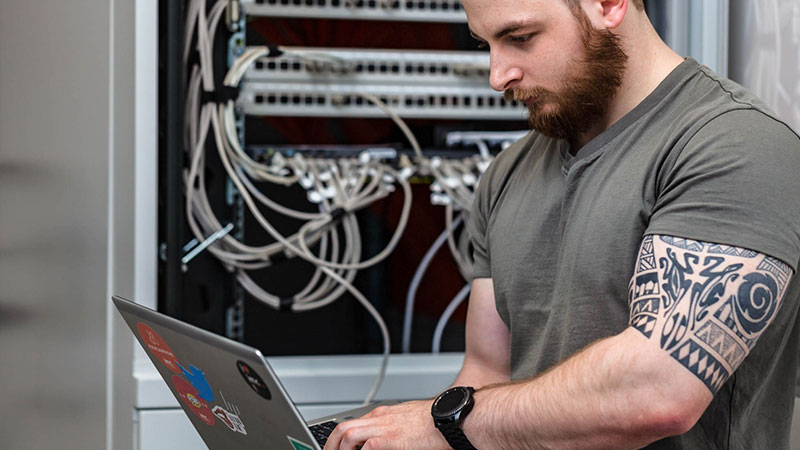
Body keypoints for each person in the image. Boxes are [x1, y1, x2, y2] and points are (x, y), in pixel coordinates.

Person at [323, 0, 800, 448]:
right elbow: (487, 370)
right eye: (484, 43)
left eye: (521, 37)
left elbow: (658, 394)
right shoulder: (508, 173)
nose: (497, 75)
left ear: (610, 4)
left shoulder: (736, 146)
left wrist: (442, 424)